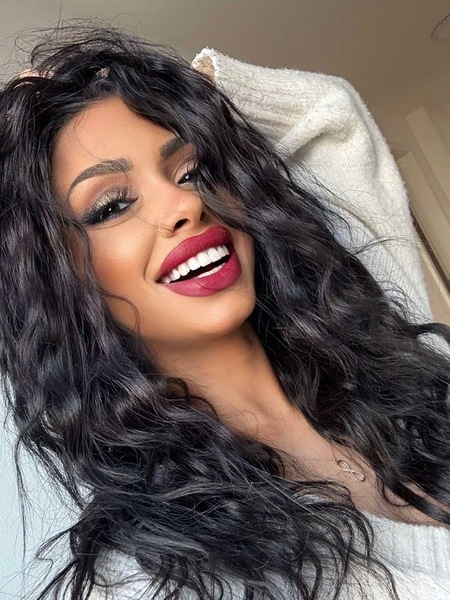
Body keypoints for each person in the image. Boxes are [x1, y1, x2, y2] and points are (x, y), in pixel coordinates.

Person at [0, 23, 449, 600]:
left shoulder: (387, 367)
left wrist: (179, 91)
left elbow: (331, 113)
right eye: (112, 205)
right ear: (52, 282)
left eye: (193, 170)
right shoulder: (148, 574)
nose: (185, 201)